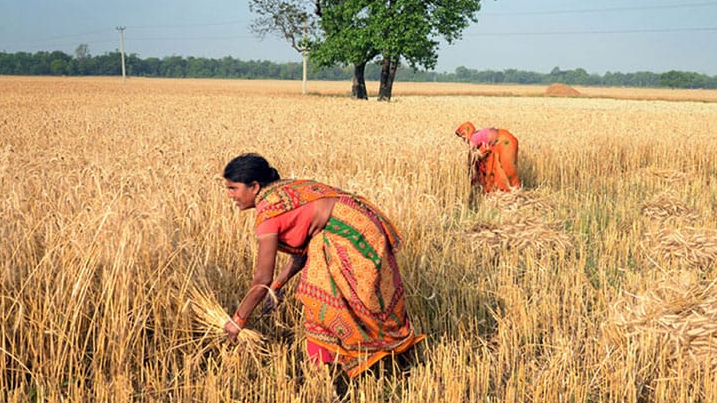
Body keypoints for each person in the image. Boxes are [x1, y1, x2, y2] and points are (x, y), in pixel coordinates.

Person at [221, 153, 425, 377]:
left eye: (233, 188)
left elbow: (262, 277)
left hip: (350, 235)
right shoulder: (283, 191)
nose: (230, 195)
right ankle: (394, 359)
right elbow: (299, 257)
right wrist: (277, 287)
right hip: (360, 226)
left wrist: (237, 321)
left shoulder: (269, 213)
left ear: (254, 186)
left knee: (319, 299)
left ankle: (325, 373)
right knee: (355, 301)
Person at [455, 122, 521, 192]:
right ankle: (505, 188)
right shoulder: (477, 136)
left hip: (505, 141)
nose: (463, 138)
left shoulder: (474, 138)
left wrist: (469, 167)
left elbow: (471, 153)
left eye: (463, 135)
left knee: (507, 165)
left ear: (468, 132)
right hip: (499, 141)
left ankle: (515, 187)